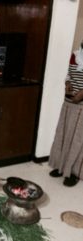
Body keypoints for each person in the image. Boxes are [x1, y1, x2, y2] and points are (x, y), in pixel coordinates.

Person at [49, 41, 83, 187]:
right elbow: (69, 75)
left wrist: (81, 95)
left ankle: (73, 173)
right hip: (69, 103)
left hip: (82, 105)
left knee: (77, 139)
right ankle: (61, 167)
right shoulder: (74, 55)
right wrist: (67, 86)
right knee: (63, 135)